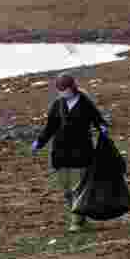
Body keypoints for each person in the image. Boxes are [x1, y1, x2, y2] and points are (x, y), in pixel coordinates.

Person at [31, 74, 109, 232]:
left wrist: (102, 127)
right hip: (60, 153)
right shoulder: (57, 104)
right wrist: (39, 142)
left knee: (78, 188)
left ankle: (75, 222)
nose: (62, 93)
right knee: (66, 190)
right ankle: (81, 217)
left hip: (82, 152)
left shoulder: (85, 102)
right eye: (59, 90)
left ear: (72, 87)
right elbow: (50, 127)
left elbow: (98, 119)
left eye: (64, 90)